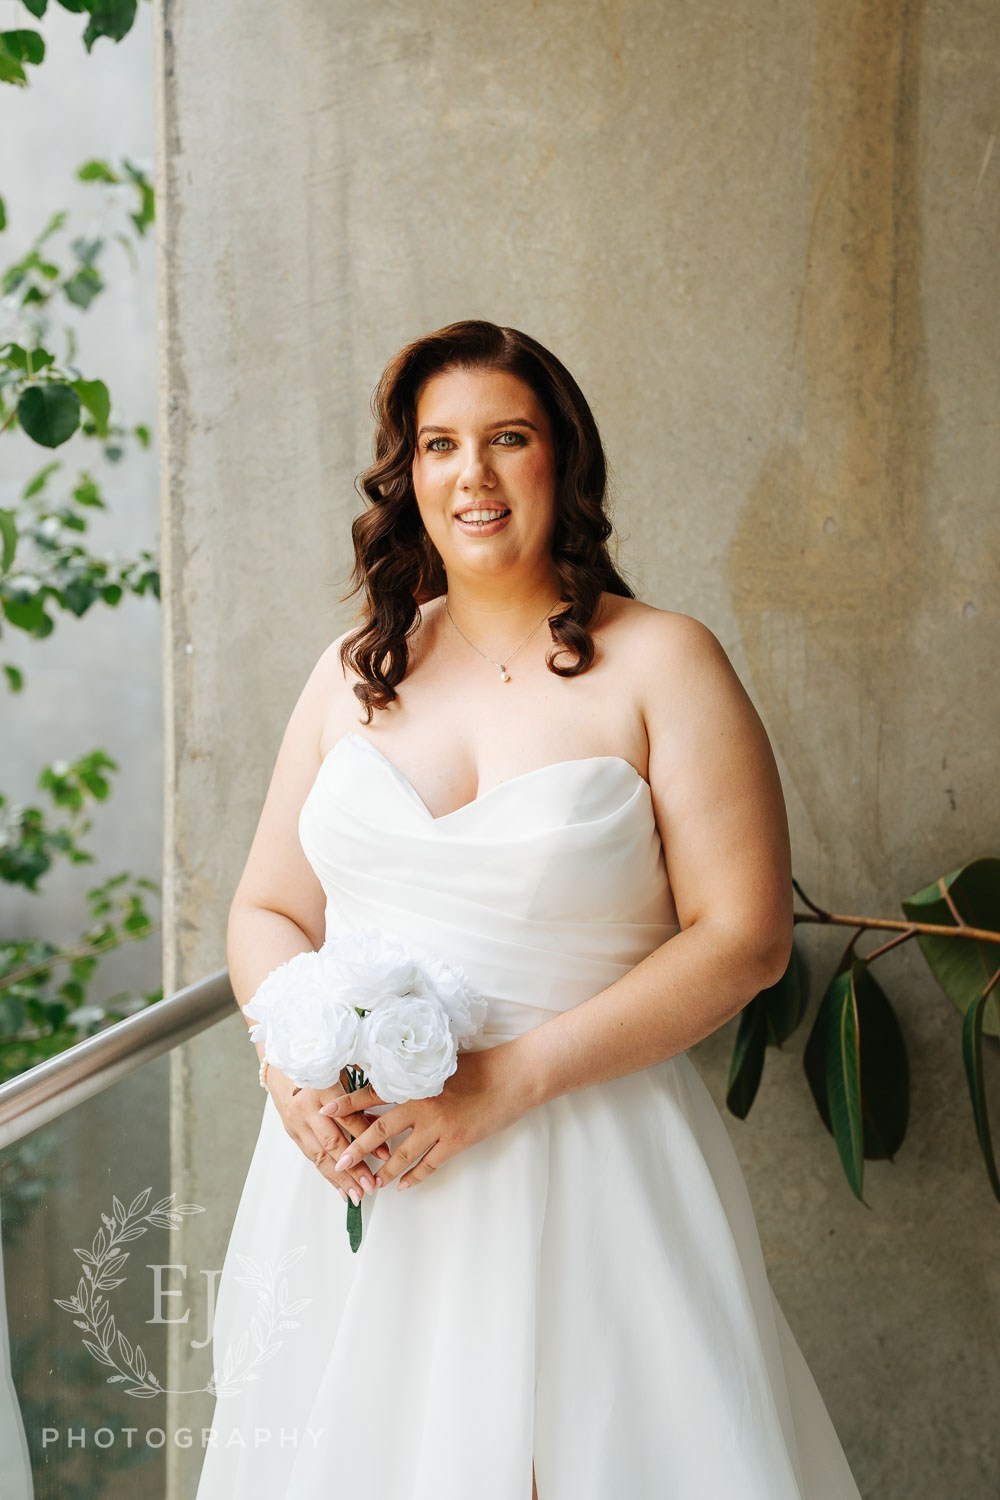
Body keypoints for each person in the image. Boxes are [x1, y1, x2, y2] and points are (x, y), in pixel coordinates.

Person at [195, 319, 863, 1499]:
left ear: (565, 458)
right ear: (407, 476)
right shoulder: (351, 669)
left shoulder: (664, 662)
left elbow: (745, 937)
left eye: (508, 438)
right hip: (365, 1174)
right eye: (440, 445)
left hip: (586, 1158)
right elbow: (266, 909)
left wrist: (509, 1080)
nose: (475, 475)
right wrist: (286, 1070)